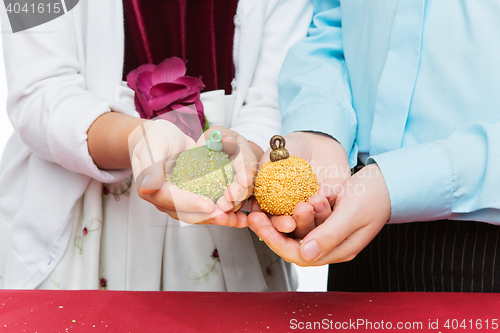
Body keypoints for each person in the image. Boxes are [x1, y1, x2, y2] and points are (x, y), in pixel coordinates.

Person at [0, 0, 313, 291]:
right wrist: (137, 139)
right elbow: (38, 90)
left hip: (231, 239)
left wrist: (249, 152)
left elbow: (277, 95)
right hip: (76, 237)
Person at [248, 0, 500, 292]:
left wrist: (395, 183)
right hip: (356, 216)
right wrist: (319, 129)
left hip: (485, 248)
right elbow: (332, 25)